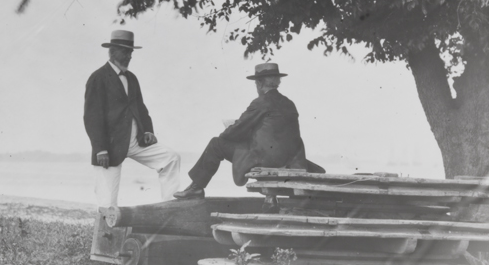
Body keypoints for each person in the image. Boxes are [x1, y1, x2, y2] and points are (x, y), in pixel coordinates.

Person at [173, 62, 324, 203]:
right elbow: (274, 133)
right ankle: (271, 201)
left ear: (259, 83)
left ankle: (196, 187)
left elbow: (233, 132)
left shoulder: (260, 102)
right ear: (277, 81)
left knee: (216, 144)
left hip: (267, 160)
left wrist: (229, 129)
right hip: (290, 160)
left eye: (256, 83)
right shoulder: (289, 103)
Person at [84, 30, 181, 208]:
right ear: (112, 51)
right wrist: (100, 149)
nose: (129, 56)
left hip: (136, 143)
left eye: (130, 52)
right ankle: (106, 233)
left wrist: (148, 131)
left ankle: (170, 209)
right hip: (110, 147)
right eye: (124, 51)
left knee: (171, 158)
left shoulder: (132, 78)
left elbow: (141, 108)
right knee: (107, 202)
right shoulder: (98, 78)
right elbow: (91, 116)